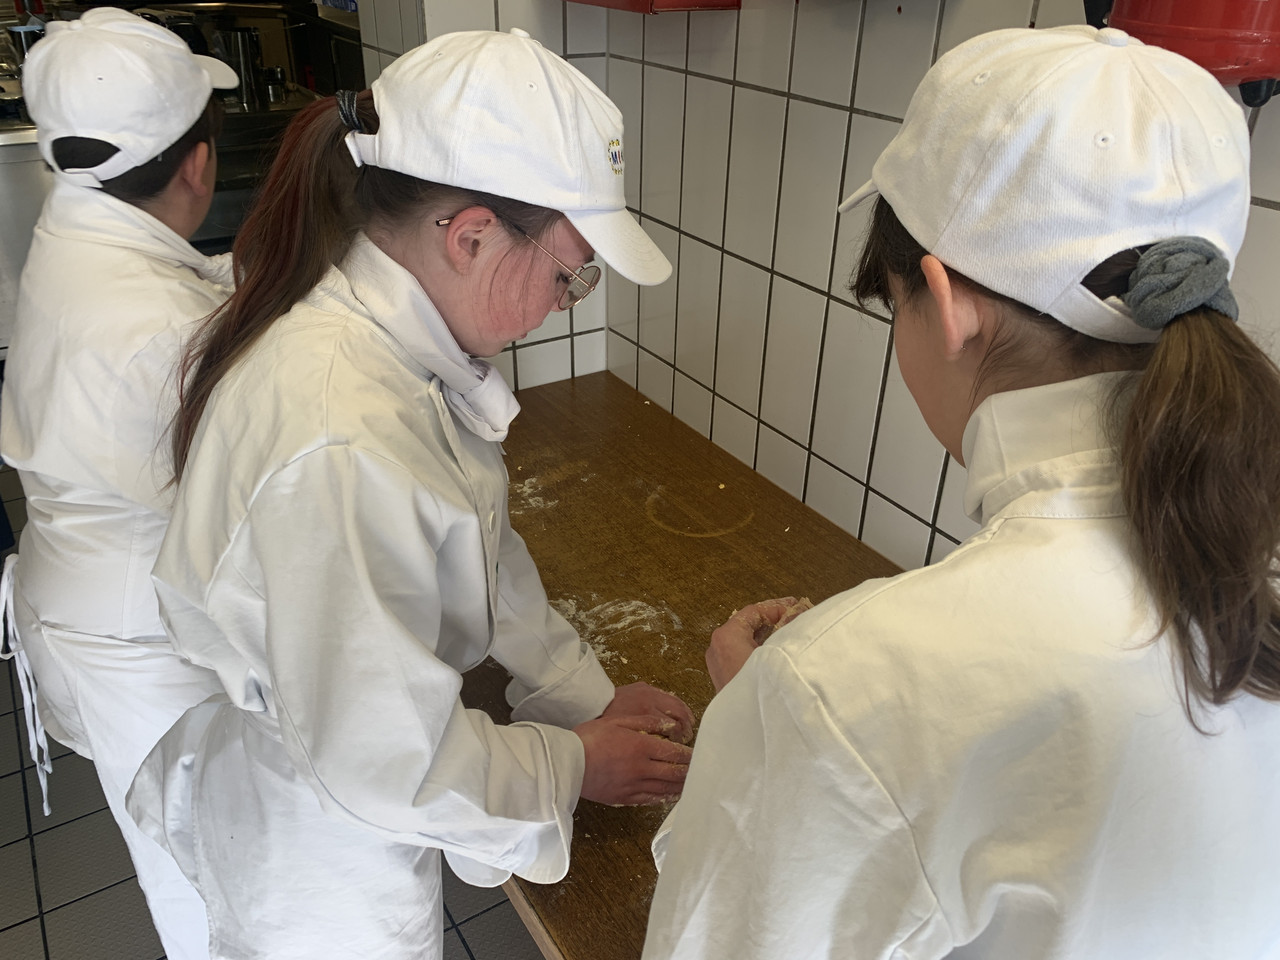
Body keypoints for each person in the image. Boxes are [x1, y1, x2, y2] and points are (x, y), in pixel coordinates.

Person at [642, 24, 1280, 960]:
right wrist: (799, 733)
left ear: (947, 304)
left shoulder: (843, 689)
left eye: (891, 298)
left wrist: (784, 725)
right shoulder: (1243, 567)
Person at [124, 28, 694, 960]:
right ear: (469, 237)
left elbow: (479, 544)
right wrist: (575, 762)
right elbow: (385, 760)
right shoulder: (341, 434)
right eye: (568, 275)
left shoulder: (394, 348)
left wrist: (575, 693)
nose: (565, 300)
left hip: (339, 762)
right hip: (320, 850)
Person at [0, 9, 239, 959]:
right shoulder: (159, 330)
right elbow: (237, 519)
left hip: (77, 595)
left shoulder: (72, 227)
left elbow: (167, 296)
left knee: (181, 860)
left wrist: (247, 275)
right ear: (198, 165)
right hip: (145, 648)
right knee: (210, 886)